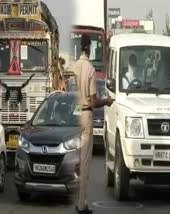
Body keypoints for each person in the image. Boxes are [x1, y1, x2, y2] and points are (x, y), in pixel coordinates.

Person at [74, 34, 114, 214]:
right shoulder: (89, 69)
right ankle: (82, 205)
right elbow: (93, 101)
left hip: (74, 117)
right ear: (89, 49)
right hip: (86, 116)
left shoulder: (74, 67)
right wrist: (107, 101)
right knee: (85, 163)